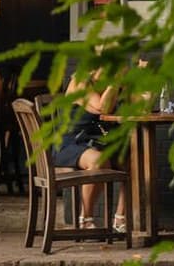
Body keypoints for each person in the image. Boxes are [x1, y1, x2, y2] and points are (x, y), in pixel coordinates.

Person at [52, 67, 124, 233]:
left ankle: (121, 219)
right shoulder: (81, 82)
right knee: (99, 160)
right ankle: (85, 219)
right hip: (69, 143)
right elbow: (102, 108)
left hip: (93, 142)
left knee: (133, 158)